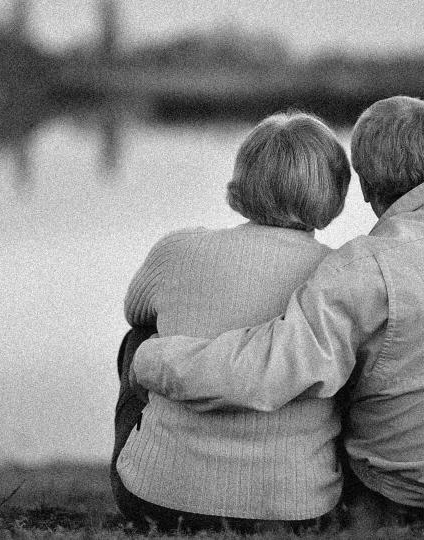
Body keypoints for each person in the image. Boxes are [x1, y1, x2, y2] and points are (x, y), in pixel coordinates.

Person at [131, 96, 424, 527]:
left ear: (364, 187)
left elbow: (272, 369)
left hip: (403, 494)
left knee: (347, 355)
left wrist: (152, 358)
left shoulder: (364, 266)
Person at [112, 111, 352, 533]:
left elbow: (136, 311)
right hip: (297, 512)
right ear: (334, 192)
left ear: (242, 180)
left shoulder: (178, 250)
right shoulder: (339, 275)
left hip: (157, 502)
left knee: (140, 338)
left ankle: (162, 462)